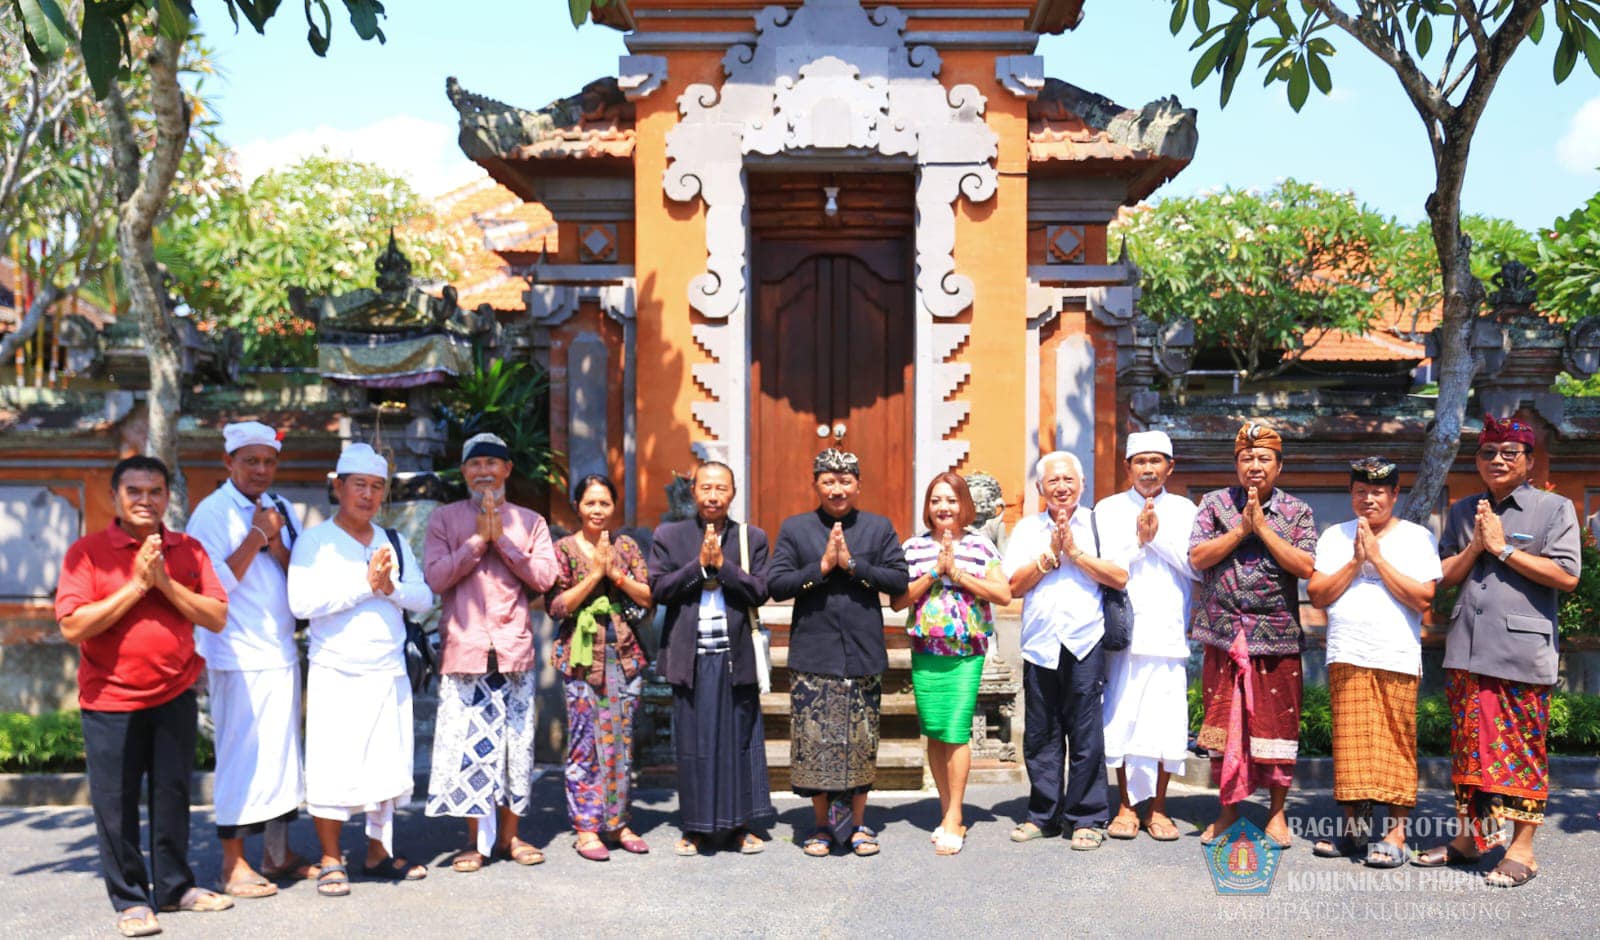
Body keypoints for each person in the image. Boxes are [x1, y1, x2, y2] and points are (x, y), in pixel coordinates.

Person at [56, 455, 233, 937]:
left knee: (173, 796)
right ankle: (132, 899)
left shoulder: (188, 549)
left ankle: (175, 888)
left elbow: (216, 615)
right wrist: (136, 586)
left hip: (173, 693)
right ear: (116, 497)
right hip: (109, 701)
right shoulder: (86, 553)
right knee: (114, 805)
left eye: (155, 491)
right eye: (134, 491)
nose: (145, 500)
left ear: (168, 497)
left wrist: (164, 583)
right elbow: (73, 626)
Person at [1413, 416, 1580, 888]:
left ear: (1529, 461)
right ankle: (1470, 839)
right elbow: (1445, 574)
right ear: (1477, 460)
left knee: (1521, 750)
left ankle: (1522, 849)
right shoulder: (1466, 509)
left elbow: (1567, 576)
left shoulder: (1554, 508)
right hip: (1466, 648)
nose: (1498, 460)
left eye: (1510, 452)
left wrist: (1504, 550)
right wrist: (1478, 548)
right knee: (1468, 750)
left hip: (1521, 653)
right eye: (1488, 452)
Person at [287, 443, 435, 898]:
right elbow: (301, 603)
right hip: (336, 670)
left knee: (385, 766)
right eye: (359, 486)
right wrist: (362, 585)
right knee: (333, 766)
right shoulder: (315, 541)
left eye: (376, 487)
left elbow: (424, 599)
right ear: (339, 488)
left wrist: (388, 588)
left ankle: (377, 851)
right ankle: (331, 858)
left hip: (387, 670)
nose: (368, 495)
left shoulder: (392, 540)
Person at [186, 422, 318, 899]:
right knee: (242, 757)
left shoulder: (280, 507)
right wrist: (256, 538)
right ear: (229, 463)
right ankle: (231, 865)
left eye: (269, 461)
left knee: (283, 759)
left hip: (280, 650)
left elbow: (299, 574)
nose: (261, 470)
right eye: (251, 461)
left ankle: (277, 854)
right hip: (237, 655)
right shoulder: (211, 513)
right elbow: (210, 588)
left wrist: (279, 544)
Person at [423, 433, 559, 872]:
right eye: (475, 463)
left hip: (513, 650)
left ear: (507, 470)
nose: (484, 471)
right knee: (469, 749)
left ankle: (510, 837)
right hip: (465, 652)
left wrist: (502, 540)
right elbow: (436, 578)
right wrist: (477, 541)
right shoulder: (443, 520)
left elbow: (543, 578)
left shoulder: (530, 522)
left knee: (515, 748)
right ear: (464, 471)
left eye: (492, 463)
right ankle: (473, 843)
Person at [769, 449, 909, 858]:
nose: (837, 488)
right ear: (815, 485)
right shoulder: (795, 529)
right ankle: (822, 827)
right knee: (814, 743)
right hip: (814, 652)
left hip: (862, 652)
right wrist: (823, 568)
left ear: (858, 485)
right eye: (828, 480)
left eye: (845, 480)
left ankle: (859, 825)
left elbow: (898, 580)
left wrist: (853, 565)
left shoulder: (878, 528)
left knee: (860, 742)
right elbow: (777, 584)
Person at [1307, 457, 1440, 867]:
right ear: (1351, 494)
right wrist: (1354, 560)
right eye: (1361, 492)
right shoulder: (1334, 536)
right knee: (1351, 744)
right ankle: (1354, 832)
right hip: (1347, 650)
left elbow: (1422, 598)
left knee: (1395, 743)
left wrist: (1377, 559)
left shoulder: (1417, 537)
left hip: (1395, 653)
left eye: (1378, 492)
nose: (1369, 500)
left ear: (1395, 494)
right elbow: (1318, 595)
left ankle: (1396, 834)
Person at [1189, 423, 1317, 850]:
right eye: (1247, 458)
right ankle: (1227, 811)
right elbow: (1198, 557)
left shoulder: (1297, 511)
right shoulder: (1213, 504)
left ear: (1279, 467)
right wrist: (1241, 529)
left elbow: (1304, 566)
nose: (1255, 466)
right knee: (1221, 727)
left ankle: (1277, 814)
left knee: (1277, 727)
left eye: (1263, 459)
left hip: (1276, 636)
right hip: (1223, 635)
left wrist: (1262, 528)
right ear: (1236, 465)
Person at [649, 461, 776, 856]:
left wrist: (724, 567)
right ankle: (696, 828)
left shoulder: (749, 538)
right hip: (690, 655)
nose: (713, 495)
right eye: (706, 488)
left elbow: (760, 590)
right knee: (694, 744)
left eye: (721, 488)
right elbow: (659, 589)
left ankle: (739, 826)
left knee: (739, 742)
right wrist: (699, 566)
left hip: (734, 654)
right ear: (693, 492)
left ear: (733, 493)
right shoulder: (670, 536)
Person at [1002, 451, 1127, 851]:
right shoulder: (1026, 529)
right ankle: (1043, 814)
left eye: (1067, 480)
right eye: (1052, 482)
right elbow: (1013, 587)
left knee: (1086, 732)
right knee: (1041, 733)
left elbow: (1120, 575)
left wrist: (1075, 553)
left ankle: (1088, 817)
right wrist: (1049, 556)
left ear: (1082, 484)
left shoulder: (1098, 524)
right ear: (1040, 489)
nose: (1060, 487)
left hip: (1084, 640)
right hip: (1040, 644)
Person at [891, 472, 1010, 856]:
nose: (944, 507)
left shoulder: (980, 545)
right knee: (936, 730)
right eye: (936, 500)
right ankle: (946, 809)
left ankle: (955, 815)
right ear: (928, 507)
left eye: (951, 500)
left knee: (956, 729)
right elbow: (898, 600)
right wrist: (934, 572)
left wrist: (957, 573)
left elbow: (1003, 593)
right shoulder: (912, 547)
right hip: (926, 650)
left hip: (965, 652)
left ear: (964, 505)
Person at [1093, 431, 1197, 844]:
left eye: (1157, 461)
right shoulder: (1108, 509)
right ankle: (1124, 805)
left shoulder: (1187, 509)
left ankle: (1158, 807)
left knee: (1165, 722)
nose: (1149, 469)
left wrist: (1158, 540)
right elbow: (1107, 566)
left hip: (1169, 630)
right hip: (1124, 633)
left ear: (1170, 467)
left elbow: (1197, 567)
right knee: (1122, 717)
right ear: (1127, 467)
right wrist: (1139, 542)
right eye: (1140, 462)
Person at [546, 474, 654, 861]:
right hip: (580, 660)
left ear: (614, 507)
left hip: (624, 658)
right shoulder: (562, 549)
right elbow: (555, 606)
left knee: (621, 744)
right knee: (584, 744)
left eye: (604, 503)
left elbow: (648, 595)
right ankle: (587, 827)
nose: (597, 510)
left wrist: (616, 574)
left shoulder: (626, 546)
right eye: (590, 503)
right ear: (578, 506)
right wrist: (594, 575)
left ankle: (619, 823)